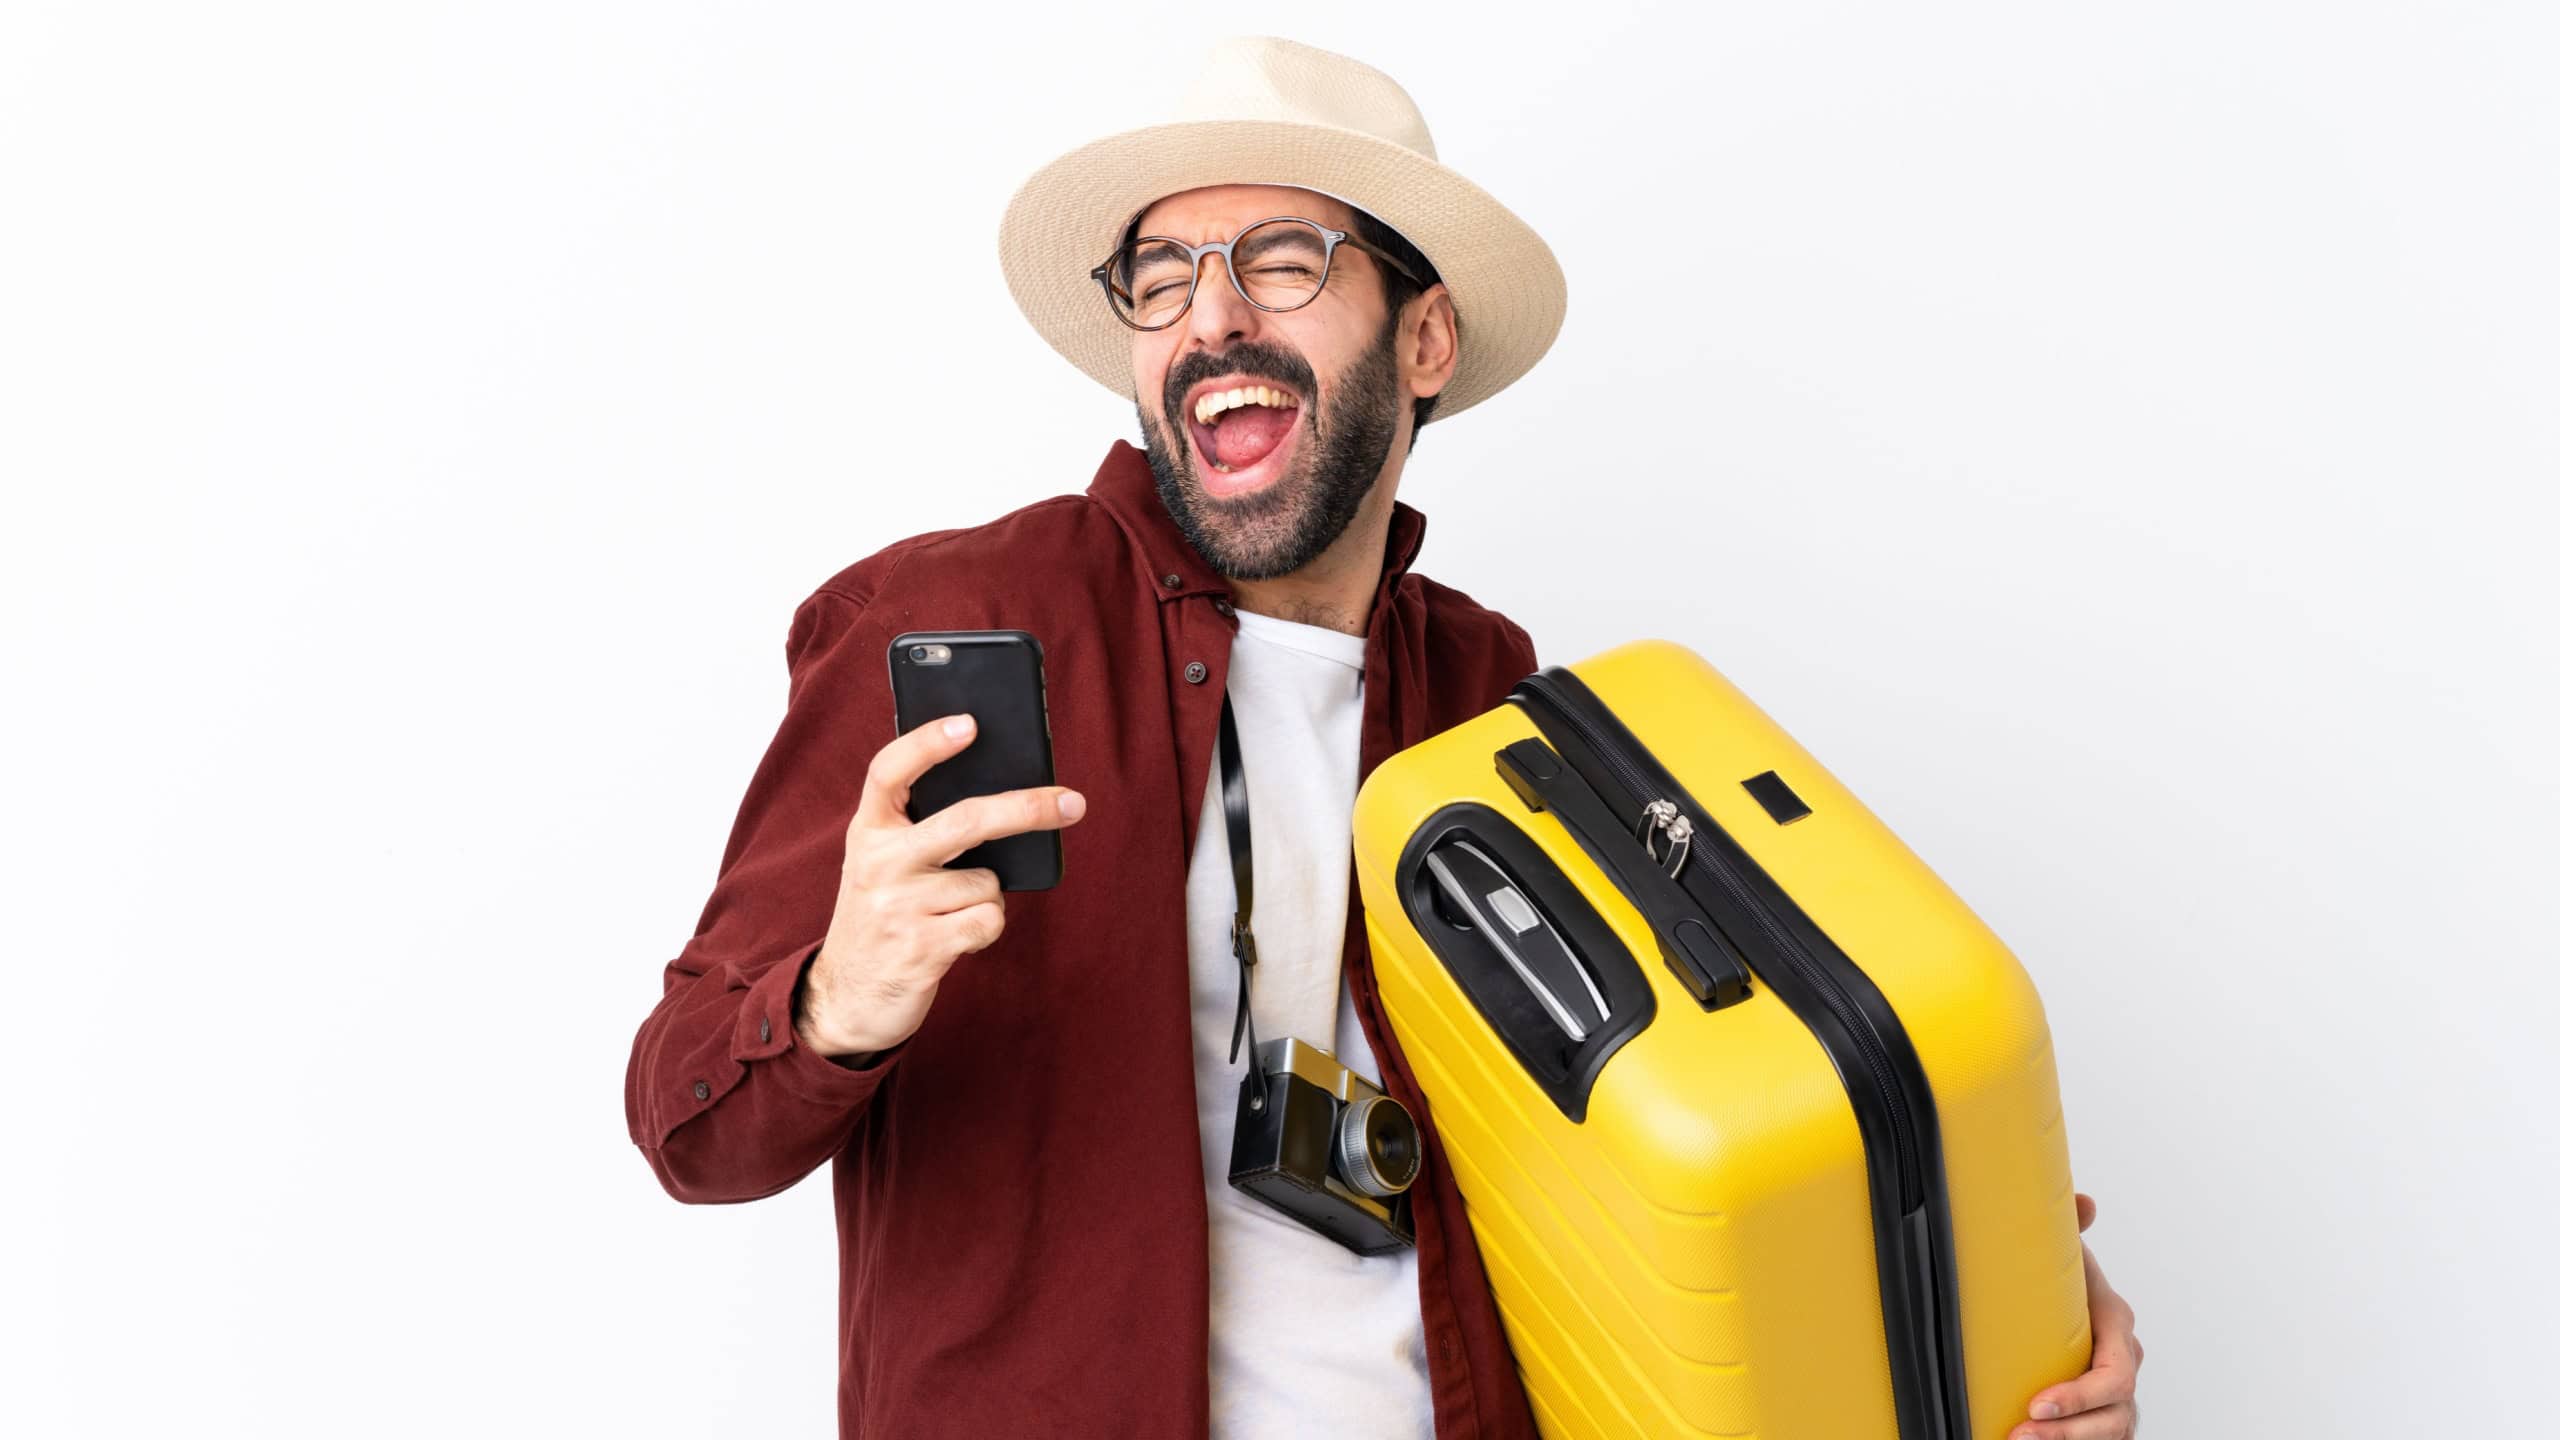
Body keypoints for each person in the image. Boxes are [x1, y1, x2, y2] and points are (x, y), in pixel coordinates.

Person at [622, 35, 2143, 1440]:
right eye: (1162, 274)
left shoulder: (1498, 698)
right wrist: (833, 1003)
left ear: (1424, 341)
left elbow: (1642, 1142)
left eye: (1282, 260)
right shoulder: (951, 627)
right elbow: (686, 1112)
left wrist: (1991, 1296)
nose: (1211, 310)